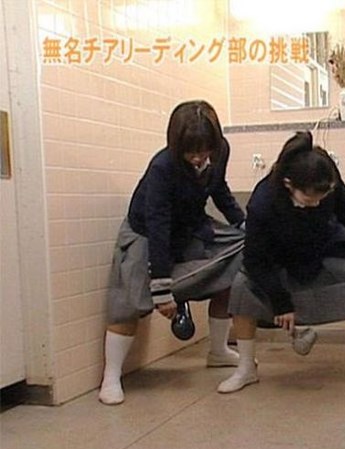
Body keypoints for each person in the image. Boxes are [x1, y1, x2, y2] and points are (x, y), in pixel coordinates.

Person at [217, 131, 345, 393]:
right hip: (278, 260)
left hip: (326, 249)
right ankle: (246, 368)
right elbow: (255, 259)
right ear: (288, 184)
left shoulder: (326, 177)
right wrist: (281, 303)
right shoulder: (263, 201)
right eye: (310, 199)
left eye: (322, 197)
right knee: (241, 286)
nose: (318, 203)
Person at [99, 100, 245, 405]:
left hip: (190, 225)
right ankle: (110, 376)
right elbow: (158, 225)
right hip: (146, 232)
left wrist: (241, 222)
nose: (199, 157)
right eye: (191, 152)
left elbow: (218, 188)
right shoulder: (162, 167)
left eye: (205, 150)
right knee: (127, 299)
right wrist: (162, 288)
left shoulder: (220, 150)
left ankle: (218, 351)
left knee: (242, 252)